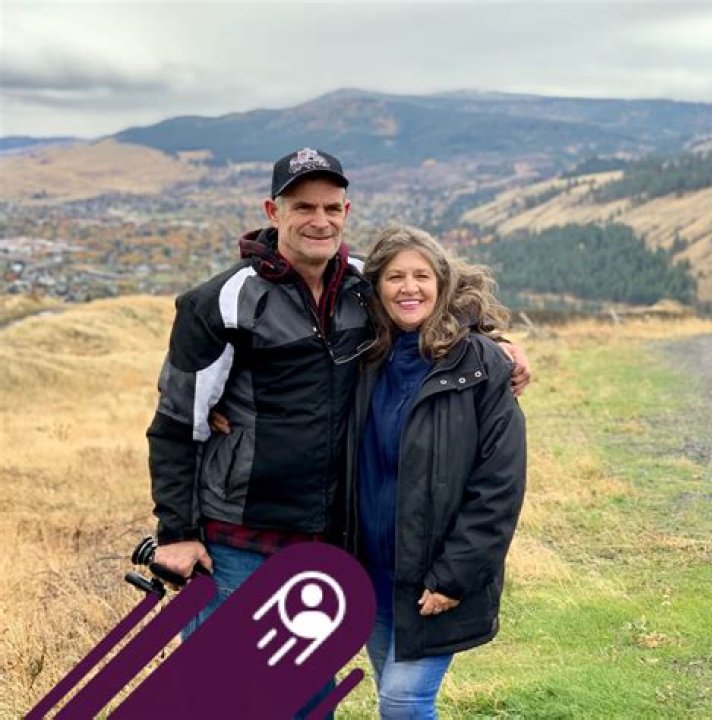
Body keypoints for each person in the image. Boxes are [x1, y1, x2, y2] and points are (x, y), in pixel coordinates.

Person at [146, 148, 530, 714]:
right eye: (303, 207)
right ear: (273, 211)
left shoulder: (359, 286)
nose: (319, 220)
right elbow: (176, 422)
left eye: (331, 208)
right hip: (236, 539)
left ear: (346, 212)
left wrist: (496, 345)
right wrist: (176, 531)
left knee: (305, 698)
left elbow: (427, 301)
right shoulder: (222, 302)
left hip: (325, 541)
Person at [343, 225, 527, 719]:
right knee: (393, 693)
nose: (410, 288)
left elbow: (499, 486)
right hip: (371, 571)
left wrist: (454, 576)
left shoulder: (479, 363)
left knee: (403, 701)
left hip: (434, 574)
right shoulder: (363, 358)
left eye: (421, 276)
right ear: (376, 288)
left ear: (442, 284)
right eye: (395, 277)